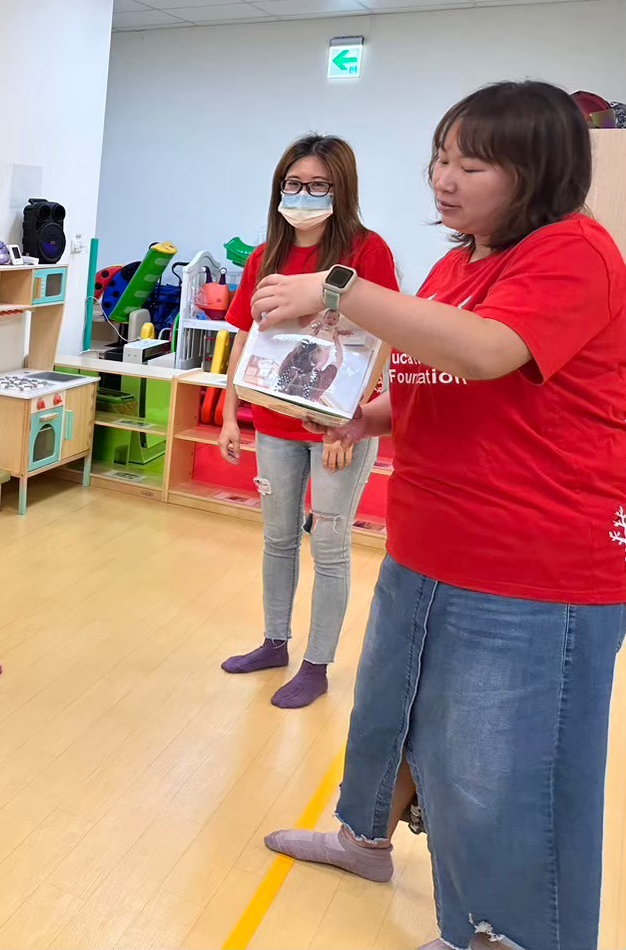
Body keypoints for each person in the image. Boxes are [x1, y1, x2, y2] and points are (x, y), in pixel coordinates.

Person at [256, 82, 626, 950]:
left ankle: (500, 935)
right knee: (390, 715)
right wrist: (366, 416)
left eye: (473, 164)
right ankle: (365, 839)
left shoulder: (574, 253)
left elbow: (489, 352)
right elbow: (439, 376)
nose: (443, 180)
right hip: (429, 542)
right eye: (439, 158)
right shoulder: (460, 263)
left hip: (532, 565)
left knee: (503, 774)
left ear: (539, 171)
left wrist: (336, 289)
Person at [218, 135, 398, 709]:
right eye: (294, 184)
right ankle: (275, 642)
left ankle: (316, 665)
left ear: (341, 190)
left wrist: (352, 418)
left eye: (319, 185)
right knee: (277, 538)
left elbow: (385, 337)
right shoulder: (264, 256)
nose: (304, 195)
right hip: (274, 422)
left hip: (335, 427)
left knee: (329, 544)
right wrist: (230, 413)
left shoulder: (367, 251)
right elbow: (245, 337)